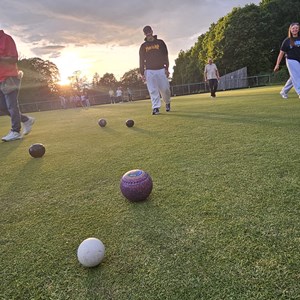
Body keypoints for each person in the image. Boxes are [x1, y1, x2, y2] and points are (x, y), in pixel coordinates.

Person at [0, 29, 35, 141]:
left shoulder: (6, 39)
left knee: (11, 105)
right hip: (0, 79)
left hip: (9, 77)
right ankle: (26, 120)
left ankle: (15, 131)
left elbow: (14, 58)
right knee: (3, 107)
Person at [139, 25, 171, 115]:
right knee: (153, 90)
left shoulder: (160, 43)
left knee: (165, 89)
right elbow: (141, 59)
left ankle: (167, 102)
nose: (148, 33)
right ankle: (155, 107)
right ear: (144, 34)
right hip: (149, 71)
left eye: (149, 31)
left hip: (161, 69)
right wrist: (142, 73)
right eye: (146, 32)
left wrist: (166, 68)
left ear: (152, 31)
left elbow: (165, 55)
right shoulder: (143, 46)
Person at [274, 23, 300, 98]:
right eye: (293, 28)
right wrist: (277, 64)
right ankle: (299, 92)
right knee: (297, 76)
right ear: (290, 30)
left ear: (298, 29)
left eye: (296, 28)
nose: (295, 29)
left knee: (294, 77)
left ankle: (284, 91)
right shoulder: (287, 41)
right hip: (291, 60)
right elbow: (281, 53)